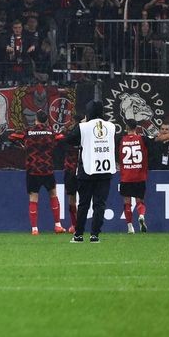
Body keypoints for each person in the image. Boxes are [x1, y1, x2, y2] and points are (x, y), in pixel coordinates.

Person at [64, 101, 117, 243]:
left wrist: (81, 124)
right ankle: (95, 235)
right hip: (105, 170)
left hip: (87, 169)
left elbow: (68, 139)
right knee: (100, 204)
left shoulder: (83, 127)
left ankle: (79, 235)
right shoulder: (111, 127)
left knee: (84, 204)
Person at [9, 110, 66, 235]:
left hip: (33, 170)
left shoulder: (29, 132)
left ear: (36, 119)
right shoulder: (50, 132)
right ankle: (57, 225)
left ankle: (34, 229)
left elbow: (12, 137)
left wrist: (24, 144)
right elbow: (61, 137)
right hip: (47, 169)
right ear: (46, 120)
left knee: (33, 198)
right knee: (53, 195)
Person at [118, 120, 151, 234]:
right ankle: (141, 215)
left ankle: (130, 226)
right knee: (140, 201)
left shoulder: (121, 139)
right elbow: (159, 139)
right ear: (136, 127)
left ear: (126, 127)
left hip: (126, 177)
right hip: (139, 176)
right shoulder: (142, 139)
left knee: (127, 202)